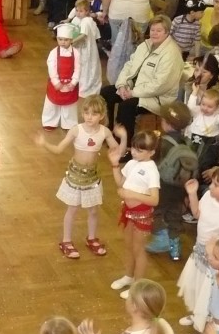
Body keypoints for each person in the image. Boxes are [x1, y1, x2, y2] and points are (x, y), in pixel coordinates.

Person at [34, 94, 119, 260]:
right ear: (82, 113)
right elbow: (58, 149)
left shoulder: (104, 132)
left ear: (101, 115)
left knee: (93, 210)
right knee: (72, 209)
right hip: (75, 175)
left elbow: (116, 150)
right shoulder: (76, 130)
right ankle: (66, 240)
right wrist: (44, 144)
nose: (89, 117)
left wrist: (122, 138)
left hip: (92, 178)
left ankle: (92, 238)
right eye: (86, 113)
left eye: (94, 114)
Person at [177, 168, 219, 334]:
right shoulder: (208, 196)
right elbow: (197, 214)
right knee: (197, 288)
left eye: (216, 184)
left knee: (210, 294)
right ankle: (198, 315)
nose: (210, 187)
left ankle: (206, 331)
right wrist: (192, 194)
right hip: (199, 252)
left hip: (215, 260)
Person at [100, 16, 185, 147]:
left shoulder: (171, 54)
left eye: (159, 31)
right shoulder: (145, 45)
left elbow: (159, 85)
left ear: (167, 32)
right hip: (135, 89)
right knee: (106, 93)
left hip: (157, 98)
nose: (154, 33)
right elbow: (129, 66)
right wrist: (122, 85)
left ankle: (125, 145)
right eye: (152, 30)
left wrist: (132, 93)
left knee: (126, 106)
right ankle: (108, 132)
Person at [108, 129, 160, 296]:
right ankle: (129, 276)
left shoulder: (151, 170)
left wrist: (131, 194)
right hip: (128, 211)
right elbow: (121, 183)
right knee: (129, 246)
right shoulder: (131, 163)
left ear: (151, 152)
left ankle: (137, 286)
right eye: (134, 149)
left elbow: (154, 199)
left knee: (139, 250)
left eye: (140, 150)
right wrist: (115, 165)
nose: (135, 153)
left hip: (142, 215)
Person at [144, 102, 196, 261]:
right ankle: (175, 247)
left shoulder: (161, 142)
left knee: (157, 212)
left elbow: (152, 162)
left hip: (162, 187)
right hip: (180, 188)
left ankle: (161, 239)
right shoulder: (187, 142)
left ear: (166, 123)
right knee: (174, 214)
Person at [185, 87, 219, 179]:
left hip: (208, 145)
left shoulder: (218, 117)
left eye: (210, 107)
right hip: (193, 141)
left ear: (217, 107)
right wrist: (194, 93)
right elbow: (190, 108)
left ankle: (199, 178)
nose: (205, 108)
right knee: (189, 159)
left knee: (203, 163)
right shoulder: (198, 112)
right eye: (203, 104)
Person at [67, 0, 101, 96]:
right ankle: (77, 83)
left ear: (87, 11)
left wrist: (71, 41)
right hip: (80, 47)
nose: (78, 13)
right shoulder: (77, 19)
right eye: (77, 10)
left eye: (81, 11)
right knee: (78, 65)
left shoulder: (86, 21)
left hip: (86, 48)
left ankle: (85, 86)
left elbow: (83, 35)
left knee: (86, 66)